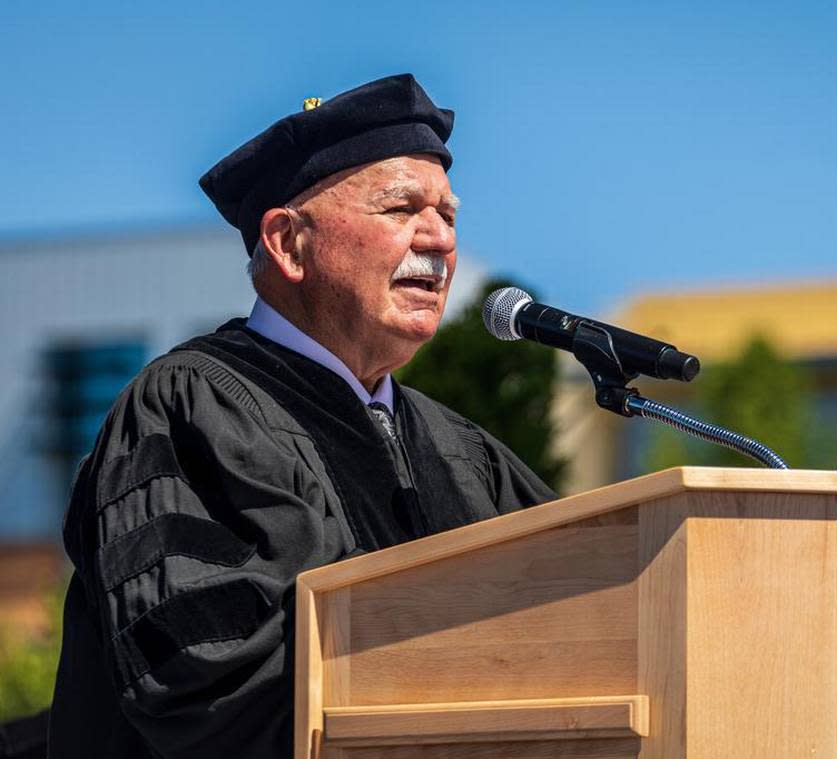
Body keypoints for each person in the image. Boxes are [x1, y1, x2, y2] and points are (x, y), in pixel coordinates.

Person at [48, 74, 557, 759]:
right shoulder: (188, 411)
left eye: (449, 214)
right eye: (402, 207)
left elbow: (579, 610)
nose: (438, 240)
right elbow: (205, 683)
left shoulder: (463, 449)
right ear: (288, 243)